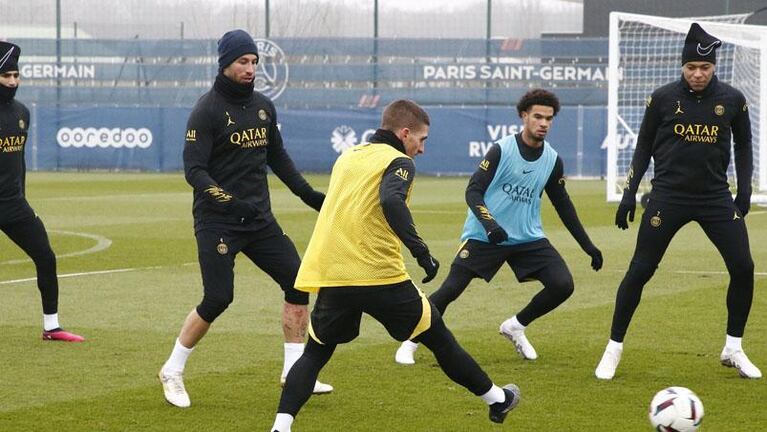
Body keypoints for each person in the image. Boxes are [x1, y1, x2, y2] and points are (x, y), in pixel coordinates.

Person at [269, 100, 520, 432]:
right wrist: (421, 251)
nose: (422, 149)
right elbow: (391, 200)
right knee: (439, 337)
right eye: (422, 139)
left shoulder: (349, 156)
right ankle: (498, 400)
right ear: (404, 133)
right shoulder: (399, 161)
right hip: (379, 275)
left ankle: (280, 428)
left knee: (315, 353)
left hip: (335, 274)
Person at [158, 29, 333, 408]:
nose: (250, 68)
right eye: (243, 62)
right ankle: (172, 370)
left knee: (298, 283)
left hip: (258, 220)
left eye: (254, 62)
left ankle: (294, 372)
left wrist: (309, 196)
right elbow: (195, 171)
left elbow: (278, 158)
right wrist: (230, 202)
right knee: (218, 297)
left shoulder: (264, 107)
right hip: (218, 221)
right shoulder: (205, 111)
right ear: (225, 65)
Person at [595, 23, 759, 380]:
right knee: (640, 270)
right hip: (668, 196)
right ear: (682, 67)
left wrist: (743, 190)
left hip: (715, 198)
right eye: (691, 68)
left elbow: (744, 145)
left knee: (744, 267)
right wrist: (628, 191)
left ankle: (733, 347)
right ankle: (613, 348)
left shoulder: (733, 100)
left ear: (714, 67)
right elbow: (642, 146)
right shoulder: (663, 98)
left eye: (705, 68)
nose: (698, 74)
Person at [394, 89, 602, 365]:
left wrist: (589, 247)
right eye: (538, 116)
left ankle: (516, 326)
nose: (543, 123)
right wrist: (490, 225)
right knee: (450, 290)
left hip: (526, 239)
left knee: (562, 285)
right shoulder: (502, 150)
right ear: (524, 116)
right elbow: (473, 191)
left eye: (549, 119)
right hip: (484, 235)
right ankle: (411, 340)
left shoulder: (552, 160)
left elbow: (563, 205)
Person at [0, 42, 84, 343]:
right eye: (5, 76)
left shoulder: (22, 113)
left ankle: (52, 327)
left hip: (13, 205)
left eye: (15, 75)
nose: (12, 82)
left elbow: (18, 162)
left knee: (46, 257)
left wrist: (20, 196)